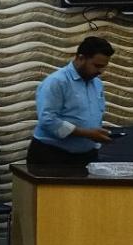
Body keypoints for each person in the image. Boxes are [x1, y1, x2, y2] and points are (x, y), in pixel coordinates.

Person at [29, 36, 115, 166]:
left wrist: (98, 134)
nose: (100, 71)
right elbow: (48, 120)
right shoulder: (57, 81)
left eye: (104, 67)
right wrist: (87, 134)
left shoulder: (97, 84)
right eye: (97, 66)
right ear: (81, 58)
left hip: (86, 156)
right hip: (52, 155)